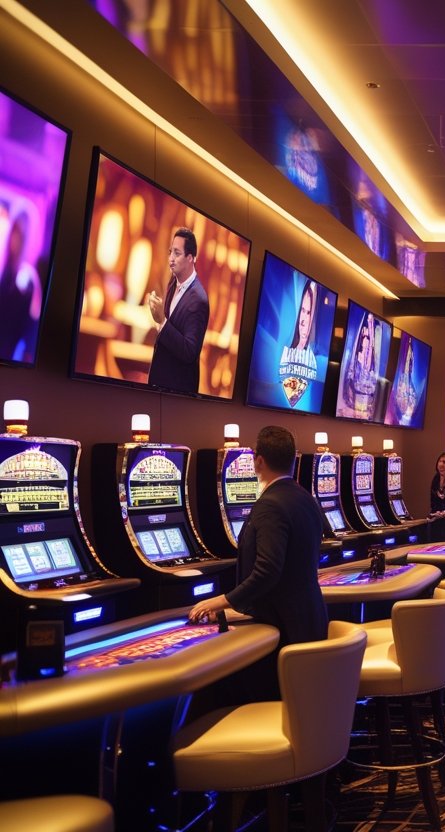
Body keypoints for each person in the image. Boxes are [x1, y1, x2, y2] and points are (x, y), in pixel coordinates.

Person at [187, 426, 328, 699]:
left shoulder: (270, 504)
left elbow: (268, 571)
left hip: (283, 631)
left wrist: (222, 601)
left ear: (258, 460)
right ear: (293, 459)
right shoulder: (305, 498)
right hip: (308, 618)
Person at [147, 227, 209, 395]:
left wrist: (162, 321)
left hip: (177, 395)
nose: (171, 259)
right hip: (158, 387)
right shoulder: (173, 281)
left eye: (177, 253)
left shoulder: (199, 300)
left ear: (190, 258)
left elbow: (189, 352)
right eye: (170, 252)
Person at [0, 206, 42, 364]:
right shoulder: (4, 271)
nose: (14, 239)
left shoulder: (28, 279)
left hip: (10, 354)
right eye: (13, 231)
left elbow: (32, 328)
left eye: (19, 234)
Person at [277, 278, 319, 407]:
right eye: (302, 310)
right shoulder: (282, 349)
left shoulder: (318, 359)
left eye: (308, 312)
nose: (303, 320)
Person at [341, 313, 381, 419]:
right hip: (351, 410)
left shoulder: (373, 371)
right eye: (365, 335)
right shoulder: (354, 366)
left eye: (369, 337)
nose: (367, 341)